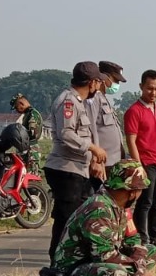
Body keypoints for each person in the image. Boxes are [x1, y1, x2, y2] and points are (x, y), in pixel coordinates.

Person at [53, 160, 156, 276]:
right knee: (116, 273)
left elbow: (133, 239)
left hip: (96, 263)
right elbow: (104, 256)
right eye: (140, 190)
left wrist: (139, 261)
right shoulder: (98, 209)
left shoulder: (121, 207)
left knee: (150, 252)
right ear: (132, 192)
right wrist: (140, 271)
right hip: (72, 272)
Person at [44, 62, 108, 258]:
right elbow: (66, 134)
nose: (98, 88)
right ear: (93, 82)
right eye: (98, 83)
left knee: (77, 218)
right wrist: (92, 148)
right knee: (66, 219)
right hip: (65, 169)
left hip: (76, 169)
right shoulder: (69, 102)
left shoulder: (79, 102)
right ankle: (57, 262)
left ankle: (71, 258)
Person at [125, 69, 156, 248]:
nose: (153, 93)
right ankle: (142, 239)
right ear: (141, 87)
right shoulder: (134, 111)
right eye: (149, 88)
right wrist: (137, 164)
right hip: (146, 162)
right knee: (145, 203)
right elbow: (131, 139)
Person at [89, 61, 127, 191]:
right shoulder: (94, 99)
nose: (116, 85)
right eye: (115, 80)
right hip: (102, 163)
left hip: (113, 162)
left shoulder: (104, 99)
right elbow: (90, 130)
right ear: (105, 78)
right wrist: (95, 160)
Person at [11, 93, 45, 172]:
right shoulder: (27, 114)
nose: (17, 110)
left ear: (21, 103)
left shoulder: (32, 114)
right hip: (26, 148)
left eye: (16, 107)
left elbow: (32, 133)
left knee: (31, 174)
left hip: (31, 149)